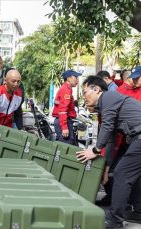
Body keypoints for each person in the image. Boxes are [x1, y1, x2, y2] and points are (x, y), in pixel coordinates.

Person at [76, 75, 141, 228]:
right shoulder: (107, 106)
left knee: (122, 173)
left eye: (85, 92)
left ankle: (114, 221)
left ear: (97, 89)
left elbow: (106, 128)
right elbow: (110, 141)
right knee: (134, 175)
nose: (84, 97)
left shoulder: (108, 97)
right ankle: (138, 213)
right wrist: (106, 169)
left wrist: (95, 149)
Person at [52, 70, 81, 145]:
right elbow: (63, 110)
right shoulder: (66, 90)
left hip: (63, 121)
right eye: (76, 77)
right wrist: (64, 127)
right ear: (68, 78)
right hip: (63, 122)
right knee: (65, 149)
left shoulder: (66, 88)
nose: (77, 80)